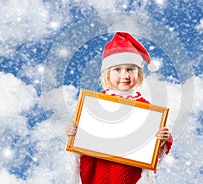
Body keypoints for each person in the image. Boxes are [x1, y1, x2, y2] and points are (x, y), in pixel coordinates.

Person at [66, 32, 173, 184]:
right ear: (107, 74)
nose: (125, 75)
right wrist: (73, 131)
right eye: (117, 70)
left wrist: (163, 137)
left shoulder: (145, 108)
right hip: (99, 168)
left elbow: (153, 141)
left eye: (131, 69)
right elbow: (84, 134)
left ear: (139, 73)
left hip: (127, 171)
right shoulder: (95, 104)